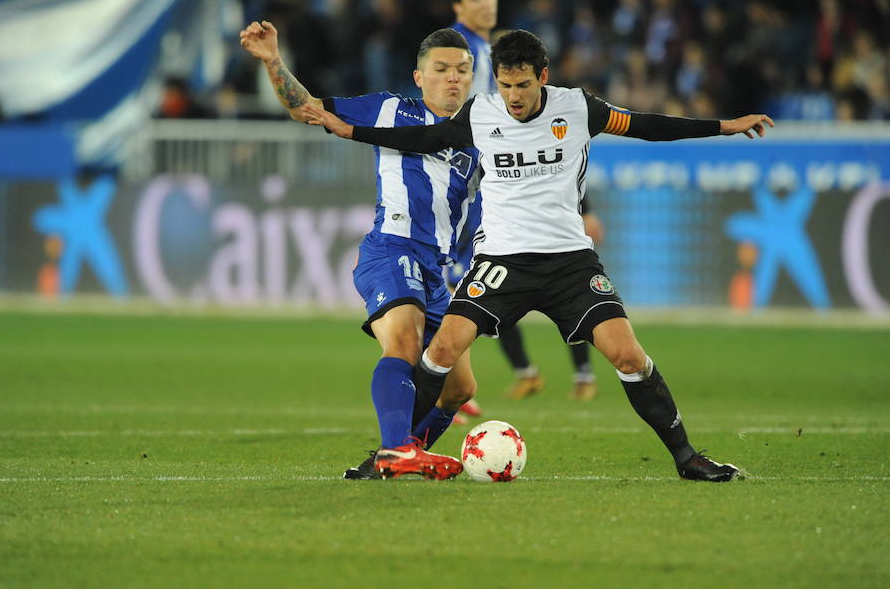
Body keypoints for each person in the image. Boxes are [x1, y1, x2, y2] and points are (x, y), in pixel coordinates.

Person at [301, 29, 774, 482]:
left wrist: (723, 127)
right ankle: (394, 452)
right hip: (501, 262)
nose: (513, 96)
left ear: (543, 77)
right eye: (505, 85)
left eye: (523, 85)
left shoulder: (579, 108)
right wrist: (352, 132)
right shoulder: (481, 113)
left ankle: (688, 458)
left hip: (570, 262)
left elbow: (647, 126)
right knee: (441, 350)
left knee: (629, 357)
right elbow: (425, 140)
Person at [240, 22, 482, 480]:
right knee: (405, 344)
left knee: (458, 388)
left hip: (438, 268)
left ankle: (391, 457)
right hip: (392, 248)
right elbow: (305, 109)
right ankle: (398, 450)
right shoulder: (389, 109)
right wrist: (273, 60)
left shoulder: (480, 134)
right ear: (419, 76)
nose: (453, 78)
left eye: (463, 70)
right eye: (442, 69)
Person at [449, 0, 601, 403]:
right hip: (482, 193)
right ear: (457, 7)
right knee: (479, 288)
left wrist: (586, 208)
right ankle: (502, 376)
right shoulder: (457, 54)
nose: (488, 2)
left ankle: (580, 372)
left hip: (510, 193)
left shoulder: (494, 52)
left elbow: (559, 155)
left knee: (555, 273)